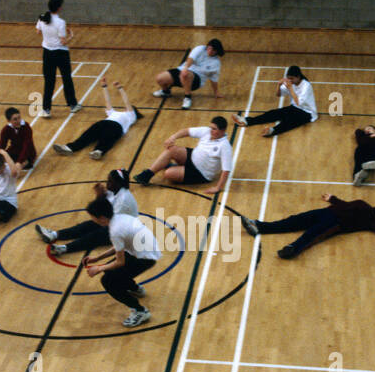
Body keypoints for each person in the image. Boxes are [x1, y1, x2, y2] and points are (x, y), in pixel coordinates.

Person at [240, 193, 375, 260]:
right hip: (325, 212)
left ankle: (292, 249)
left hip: (335, 224)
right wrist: (332, 198)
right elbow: (345, 204)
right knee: (292, 221)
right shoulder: (363, 203)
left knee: (311, 235)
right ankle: (259, 226)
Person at [83, 195, 160, 327]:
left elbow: (120, 263)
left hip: (145, 258)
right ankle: (134, 288)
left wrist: (98, 268)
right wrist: (98, 258)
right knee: (111, 271)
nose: (92, 220)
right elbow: (120, 246)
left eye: (93, 217)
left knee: (108, 281)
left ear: (101, 218)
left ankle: (140, 311)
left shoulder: (115, 230)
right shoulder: (120, 217)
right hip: (142, 251)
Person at [35, 168, 137, 255]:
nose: (107, 183)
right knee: (85, 226)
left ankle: (64, 248)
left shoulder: (124, 199)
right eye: (107, 180)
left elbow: (108, 219)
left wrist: (96, 217)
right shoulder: (114, 191)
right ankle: (54, 234)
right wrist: (100, 195)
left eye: (110, 181)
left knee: (95, 235)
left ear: (118, 183)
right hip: (114, 222)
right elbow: (104, 208)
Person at [131, 116, 232, 196]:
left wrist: (218, 187)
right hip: (192, 156)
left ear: (222, 131)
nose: (211, 131)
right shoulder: (207, 131)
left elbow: (226, 170)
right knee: (171, 149)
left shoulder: (225, 146)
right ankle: (147, 175)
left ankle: (171, 167)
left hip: (201, 173)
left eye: (214, 129)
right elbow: (186, 131)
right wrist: (172, 138)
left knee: (168, 174)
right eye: (211, 128)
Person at [54, 79, 142, 160]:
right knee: (87, 135)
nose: (126, 108)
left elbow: (126, 101)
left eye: (129, 108)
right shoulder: (113, 113)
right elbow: (107, 102)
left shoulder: (131, 116)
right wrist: (104, 87)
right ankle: (69, 148)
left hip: (117, 126)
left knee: (107, 139)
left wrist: (120, 88)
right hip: (103, 123)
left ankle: (98, 151)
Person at [234, 66, 316, 137]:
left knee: (289, 121)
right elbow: (278, 95)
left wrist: (290, 88)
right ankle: (248, 121)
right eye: (288, 78)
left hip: (308, 113)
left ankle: (273, 130)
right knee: (274, 113)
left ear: (298, 77)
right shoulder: (291, 83)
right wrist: (279, 85)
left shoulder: (306, 86)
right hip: (294, 108)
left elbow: (299, 102)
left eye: (292, 78)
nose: (290, 80)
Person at [151, 38, 225, 110]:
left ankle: (187, 98)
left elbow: (214, 79)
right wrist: (185, 68)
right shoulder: (200, 48)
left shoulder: (216, 63)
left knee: (186, 75)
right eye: (209, 48)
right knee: (160, 78)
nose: (210, 50)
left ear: (217, 52)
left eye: (213, 50)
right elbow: (191, 58)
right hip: (183, 70)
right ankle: (166, 91)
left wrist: (216, 92)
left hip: (196, 80)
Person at [36, 0, 78, 118]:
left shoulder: (43, 17)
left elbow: (38, 32)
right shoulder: (60, 22)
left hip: (47, 53)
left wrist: (48, 37)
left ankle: (46, 109)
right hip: (61, 53)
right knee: (66, 78)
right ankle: (73, 105)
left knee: (49, 81)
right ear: (59, 8)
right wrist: (72, 36)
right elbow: (63, 41)